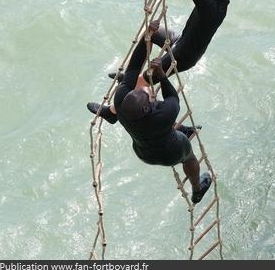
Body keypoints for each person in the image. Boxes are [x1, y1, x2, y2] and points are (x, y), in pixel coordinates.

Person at [88, 25, 213, 204]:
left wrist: (146, 37)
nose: (144, 90)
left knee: (158, 127)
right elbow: (172, 97)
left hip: (144, 153)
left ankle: (111, 115)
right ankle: (197, 189)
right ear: (148, 108)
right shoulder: (164, 115)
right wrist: (161, 75)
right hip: (172, 152)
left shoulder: (121, 102)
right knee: (190, 157)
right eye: (146, 95)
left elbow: (132, 69)